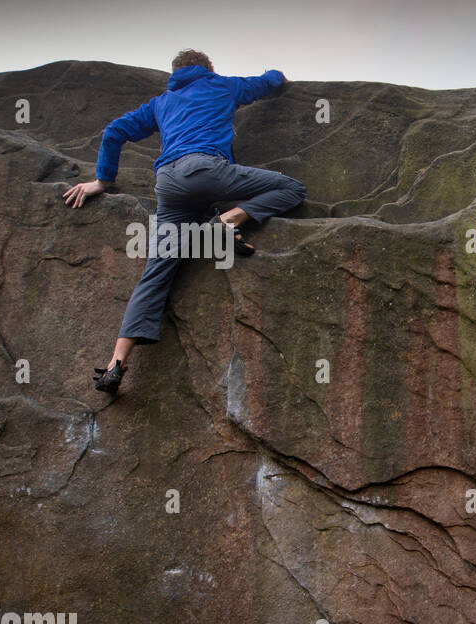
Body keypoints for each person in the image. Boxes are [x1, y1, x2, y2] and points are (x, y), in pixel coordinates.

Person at [63, 49, 306, 394]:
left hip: (169, 185)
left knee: (156, 272)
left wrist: (102, 181)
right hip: (208, 171)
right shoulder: (222, 86)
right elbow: (267, 83)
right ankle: (229, 222)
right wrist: (278, 74)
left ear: (175, 73)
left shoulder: (162, 102)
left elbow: (115, 131)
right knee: (292, 187)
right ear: (208, 68)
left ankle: (116, 363)